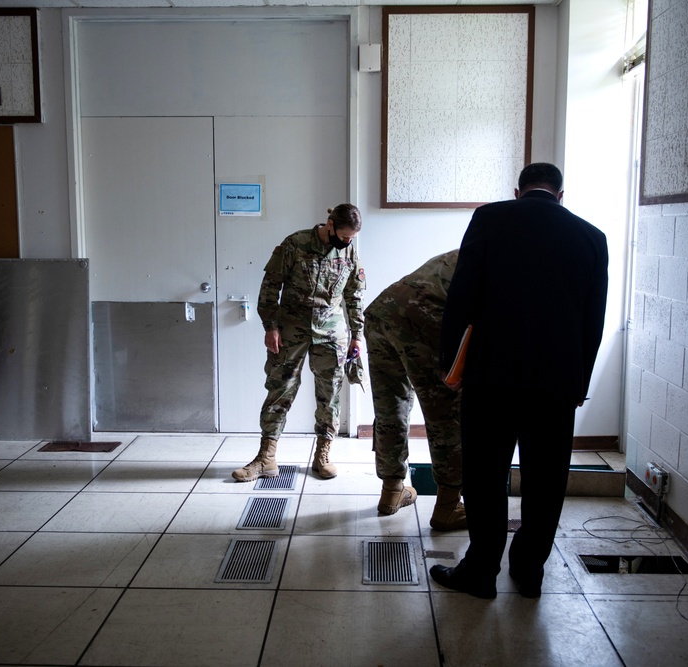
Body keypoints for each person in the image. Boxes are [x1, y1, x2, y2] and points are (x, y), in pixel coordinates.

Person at [430, 163, 608, 599]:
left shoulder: (490, 219)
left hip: (493, 377)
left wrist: (449, 365)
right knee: (547, 481)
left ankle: (481, 572)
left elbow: (461, 296)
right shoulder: (592, 237)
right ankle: (529, 572)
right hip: (556, 384)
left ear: (517, 190)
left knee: (485, 476)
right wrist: (579, 381)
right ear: (561, 195)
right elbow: (593, 319)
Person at [232, 204, 366, 482]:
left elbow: (354, 295)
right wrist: (271, 326)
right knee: (280, 389)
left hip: (331, 332)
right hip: (291, 327)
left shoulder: (350, 250)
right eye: (344, 236)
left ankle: (323, 454)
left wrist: (357, 335)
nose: (347, 242)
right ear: (330, 225)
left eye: (351, 238)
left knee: (329, 393)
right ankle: (266, 457)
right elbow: (270, 285)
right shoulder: (295, 244)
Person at [365, 250, 467, 531]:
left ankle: (392, 492)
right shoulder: (502, 259)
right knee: (446, 412)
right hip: (421, 316)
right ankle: (448, 507)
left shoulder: (467, 249)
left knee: (389, 406)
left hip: (381, 312)